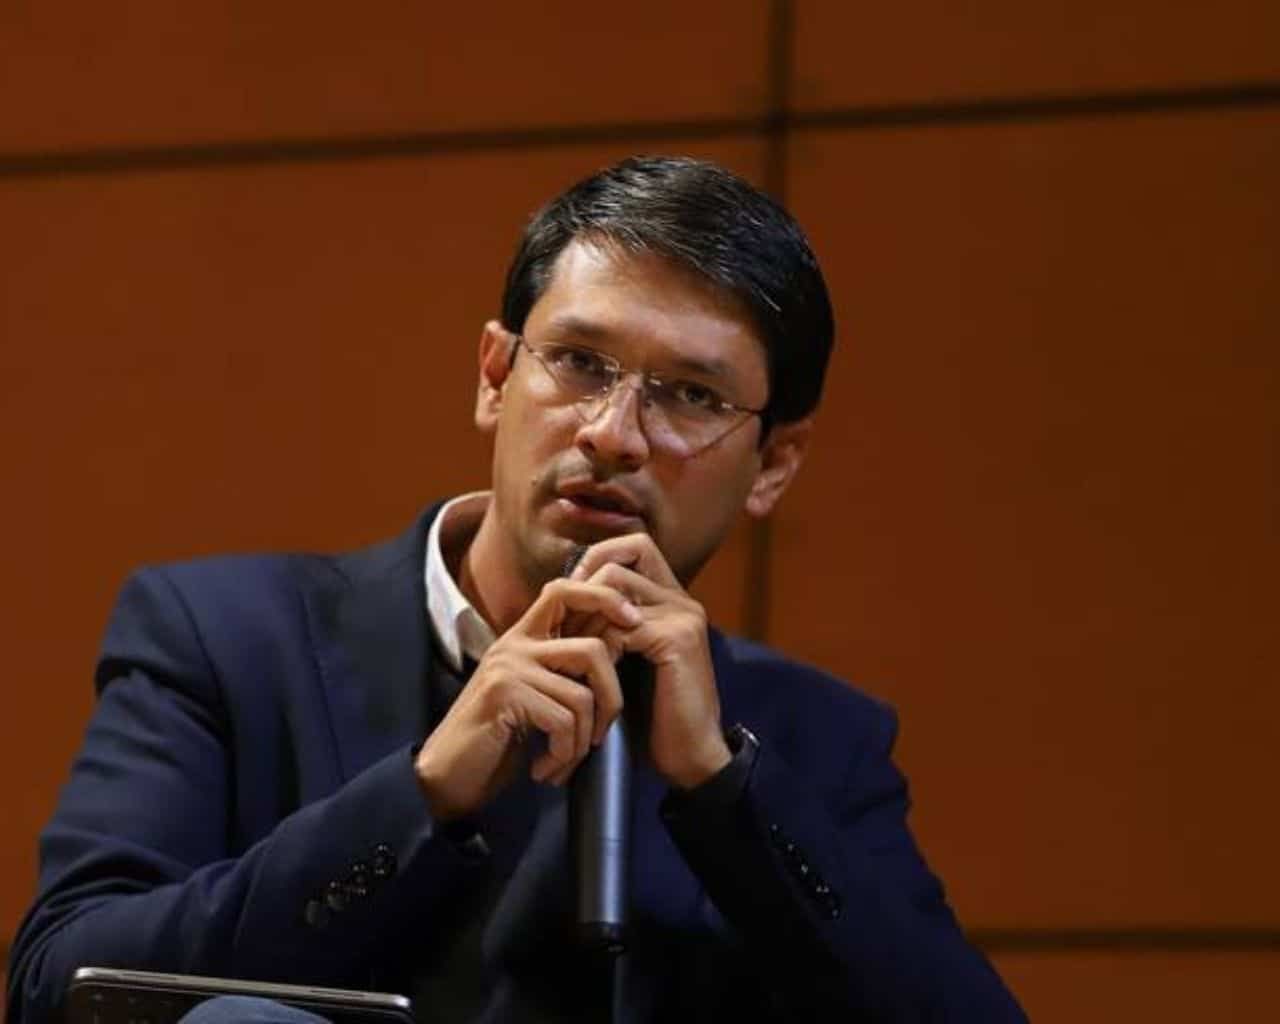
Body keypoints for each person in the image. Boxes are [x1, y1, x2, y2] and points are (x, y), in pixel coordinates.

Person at [7, 156, 1026, 1022]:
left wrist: (721, 791)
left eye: (690, 394)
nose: (613, 434)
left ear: (773, 464)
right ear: (495, 377)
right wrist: (422, 792)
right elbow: (65, 986)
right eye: (580, 362)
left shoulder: (808, 742)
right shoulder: (226, 641)